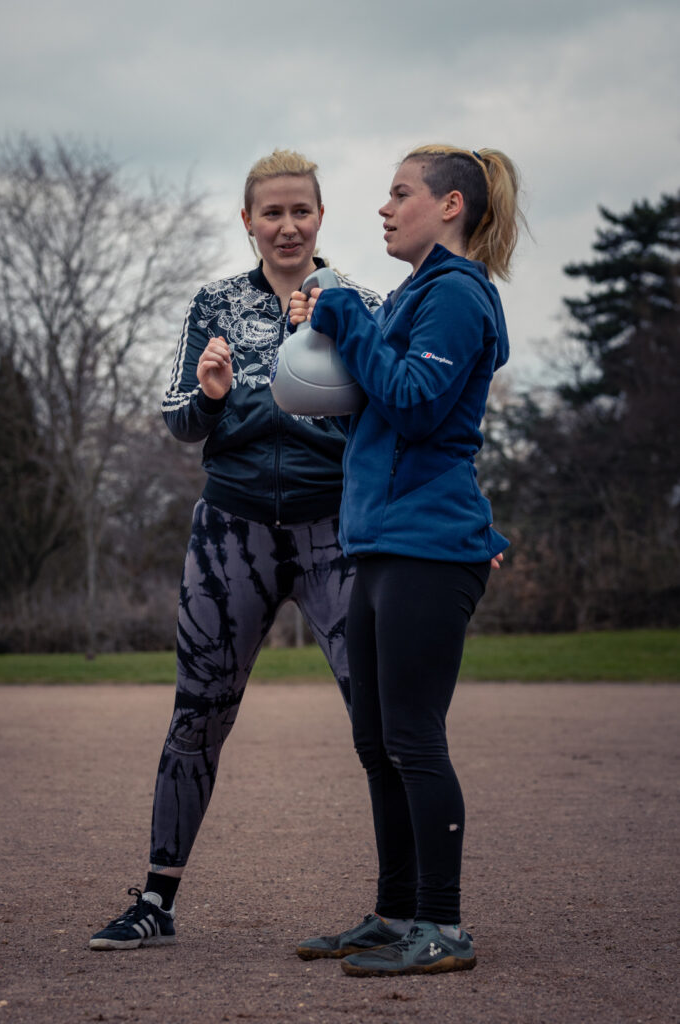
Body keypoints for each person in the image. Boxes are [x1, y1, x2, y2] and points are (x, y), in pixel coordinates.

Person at [89, 149, 380, 950]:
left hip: (336, 535)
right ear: (247, 221)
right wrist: (215, 396)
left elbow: (385, 420)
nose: (286, 226)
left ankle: (410, 906)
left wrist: (330, 353)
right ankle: (156, 901)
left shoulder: (358, 301)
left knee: (381, 717)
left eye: (301, 211)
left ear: (320, 217)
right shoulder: (214, 302)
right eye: (271, 212)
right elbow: (180, 419)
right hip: (232, 533)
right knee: (197, 715)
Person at [292, 145, 524, 976]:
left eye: (400, 194)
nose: (384, 209)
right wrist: (315, 363)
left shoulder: (457, 294)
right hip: (382, 542)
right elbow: (376, 422)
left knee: (414, 740)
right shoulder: (414, 297)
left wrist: (348, 315)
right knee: (376, 741)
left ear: (451, 205)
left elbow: (420, 408)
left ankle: (444, 929)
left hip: (430, 548)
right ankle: (395, 916)